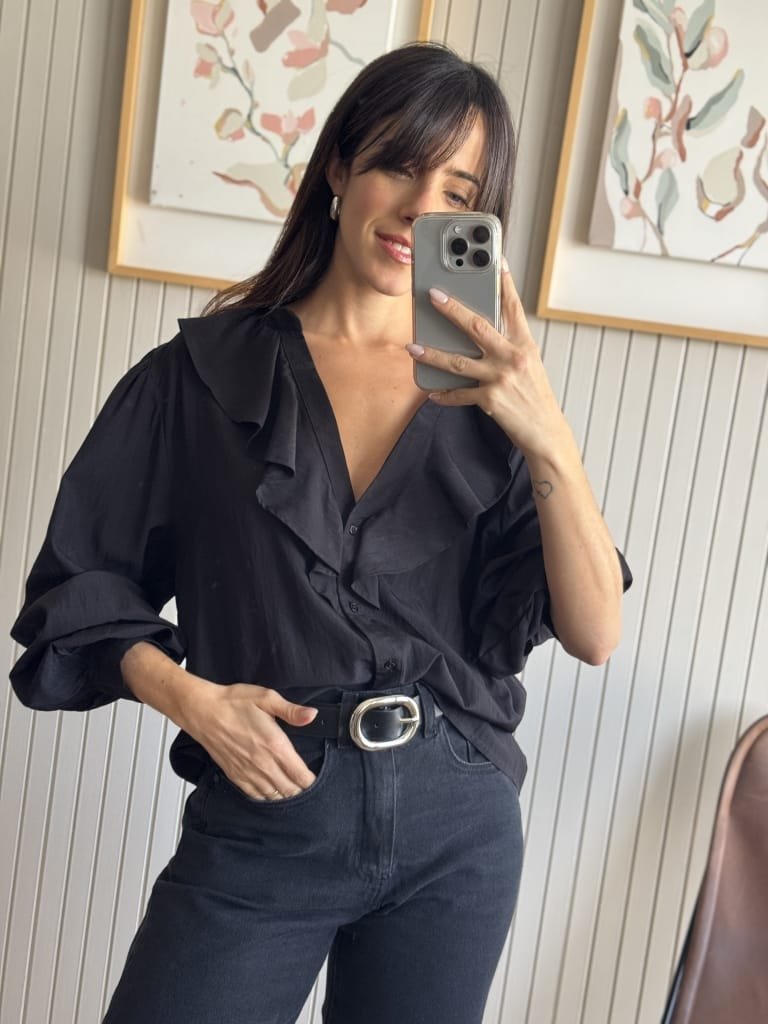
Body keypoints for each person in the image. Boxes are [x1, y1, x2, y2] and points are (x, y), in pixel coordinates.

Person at [10, 42, 631, 1024]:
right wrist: (192, 699)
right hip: (265, 813)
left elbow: (595, 632)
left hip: (455, 828)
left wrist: (546, 429)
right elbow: (77, 586)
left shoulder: (492, 400)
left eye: (458, 191)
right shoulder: (200, 377)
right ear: (340, 166)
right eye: (400, 164)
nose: (421, 207)